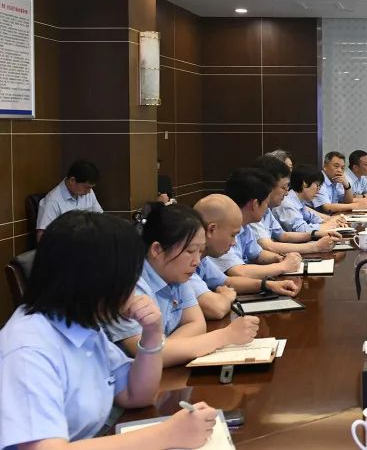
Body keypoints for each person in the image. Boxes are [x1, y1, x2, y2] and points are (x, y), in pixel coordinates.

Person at [0, 211, 219, 449]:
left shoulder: (83, 324)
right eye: (129, 278)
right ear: (96, 280)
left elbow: (137, 395)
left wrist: (152, 334)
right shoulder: (28, 349)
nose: (134, 288)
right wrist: (166, 434)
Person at [104, 203, 261, 367]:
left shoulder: (175, 273)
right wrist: (225, 336)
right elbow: (147, 355)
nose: (197, 261)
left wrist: (167, 349)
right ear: (157, 250)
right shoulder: (129, 284)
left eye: (200, 251)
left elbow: (197, 323)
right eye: (190, 251)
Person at [190, 194, 300, 320]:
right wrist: (226, 296)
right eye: (232, 235)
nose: (234, 243)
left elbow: (227, 282)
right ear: (211, 230)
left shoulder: (203, 258)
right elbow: (216, 309)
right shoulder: (185, 260)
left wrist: (268, 285)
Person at [208, 168, 302, 280]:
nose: (267, 208)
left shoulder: (245, 226)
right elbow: (238, 272)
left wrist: (279, 258)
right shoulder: (221, 228)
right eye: (266, 203)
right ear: (255, 204)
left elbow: (257, 254)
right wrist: (283, 266)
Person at [250, 156, 338, 255]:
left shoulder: (266, 209)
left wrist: (317, 234)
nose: (287, 193)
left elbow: (282, 235)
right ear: (268, 187)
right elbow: (269, 246)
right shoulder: (252, 209)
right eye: (284, 187)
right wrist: (316, 246)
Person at [35, 159, 103, 241]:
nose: (89, 191)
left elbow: (100, 219)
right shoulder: (52, 201)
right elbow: (42, 238)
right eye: (86, 187)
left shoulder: (88, 192)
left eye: (91, 188)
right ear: (72, 180)